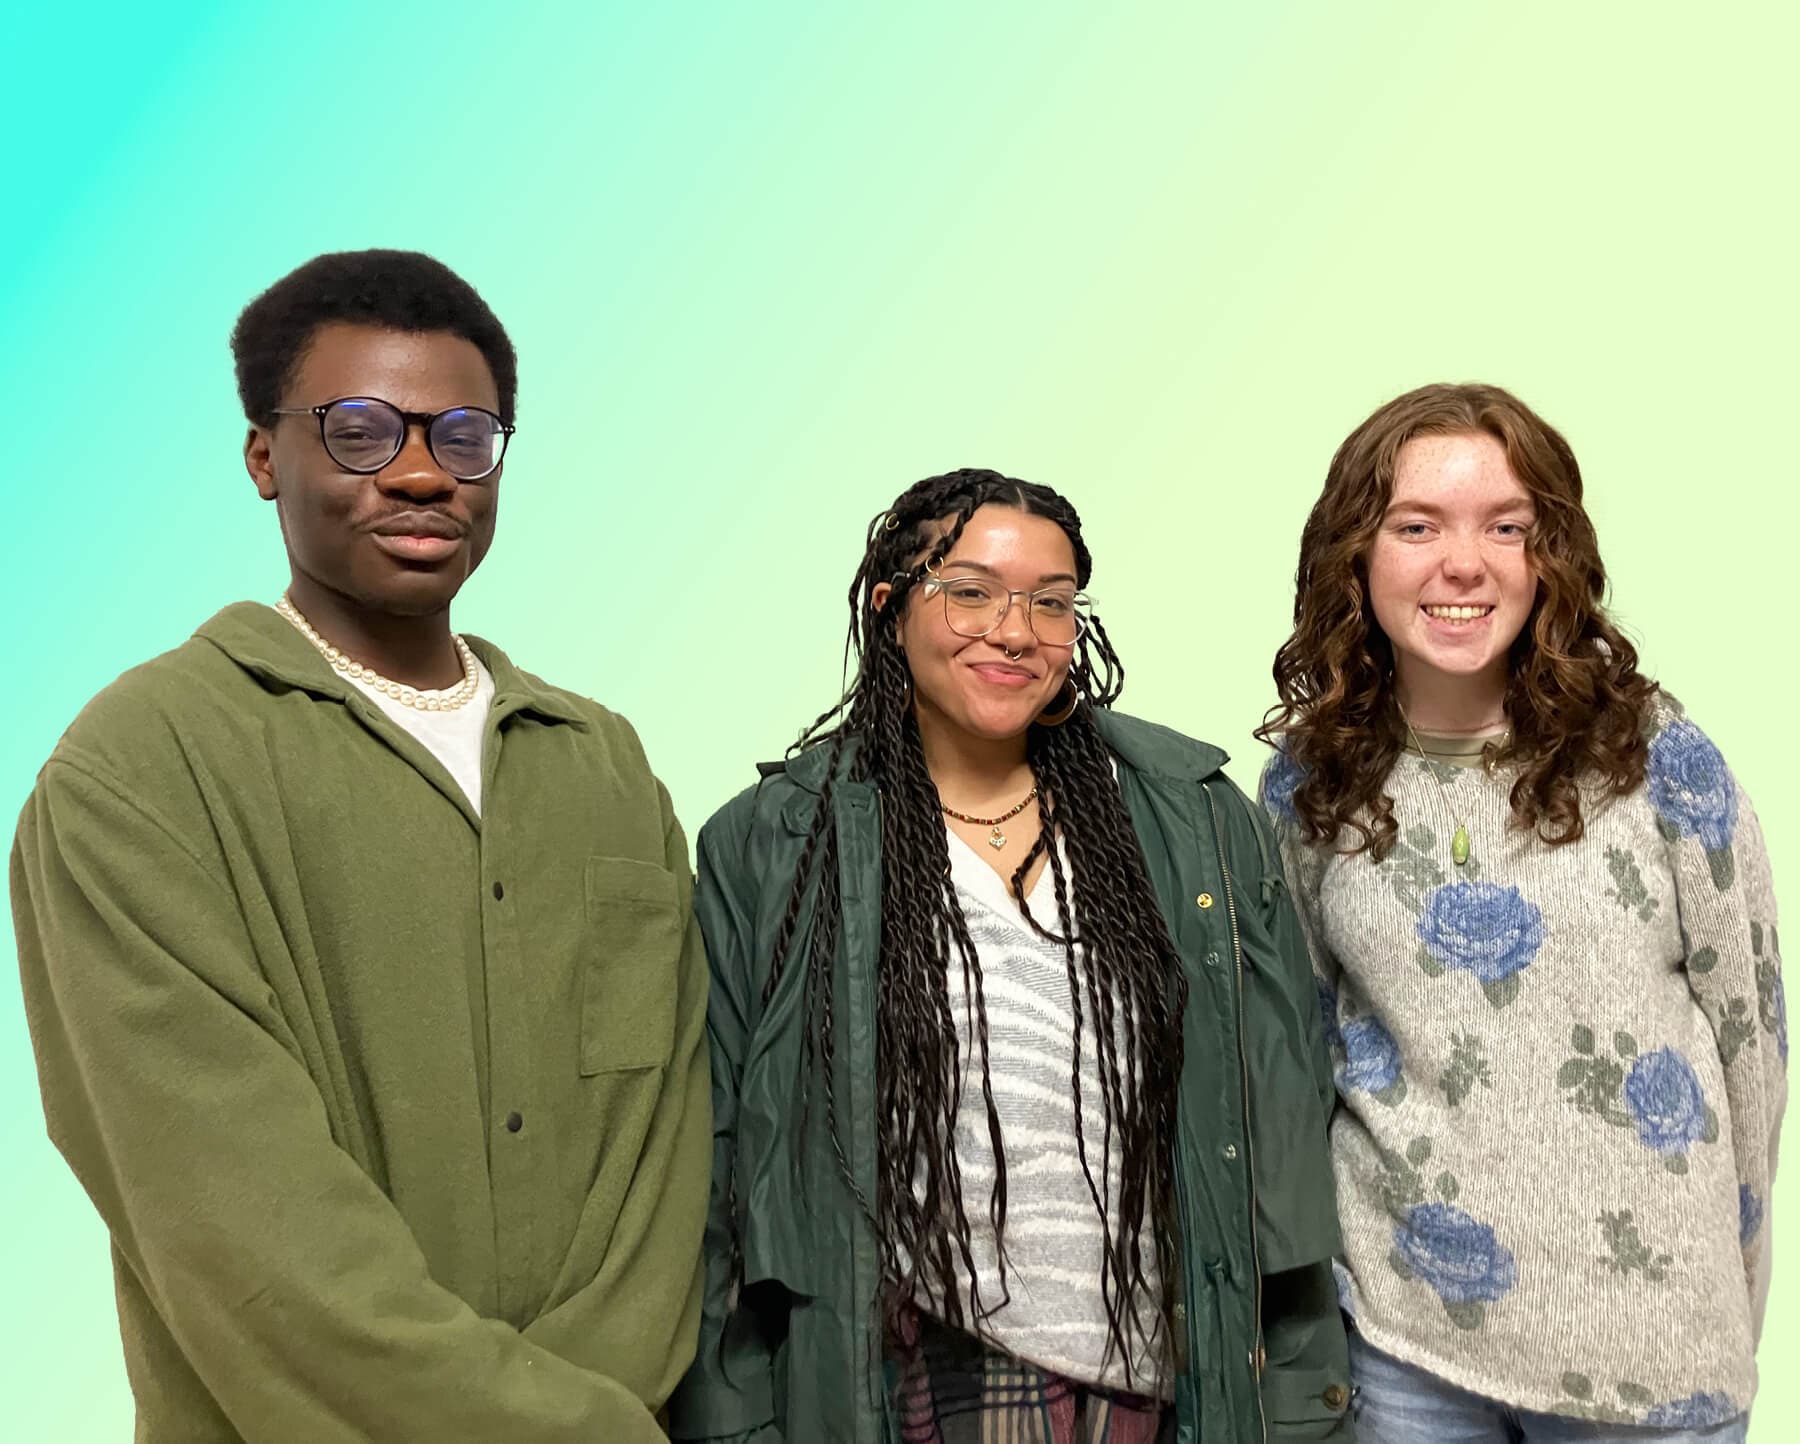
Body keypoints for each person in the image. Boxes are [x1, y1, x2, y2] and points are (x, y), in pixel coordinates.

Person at [10, 249, 709, 1442]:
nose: (424, 473)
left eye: (465, 436)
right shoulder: (136, 772)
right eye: (360, 431)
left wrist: (601, 1407)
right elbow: (238, 1228)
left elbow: (666, 1161)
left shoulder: (605, 766)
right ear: (263, 456)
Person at [668, 468, 1352, 1443]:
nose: (1015, 628)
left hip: (1155, 1378)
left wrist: (1298, 1391)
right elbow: (718, 1162)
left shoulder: (1191, 817)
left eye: (1051, 601)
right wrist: (733, 1419)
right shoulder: (775, 842)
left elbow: (1280, 1129)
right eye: (972, 591)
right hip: (911, 1373)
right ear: (889, 607)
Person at [1257, 383, 1785, 1442]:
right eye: (1417, 526)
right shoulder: (1310, 785)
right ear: (1354, 556)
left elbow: (1753, 1042)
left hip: (1650, 1352)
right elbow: (1305, 1054)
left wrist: (1728, 1295)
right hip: (1403, 1353)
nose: (1467, 562)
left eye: (1509, 526)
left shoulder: (1658, 759)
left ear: (1554, 556)